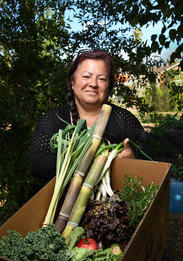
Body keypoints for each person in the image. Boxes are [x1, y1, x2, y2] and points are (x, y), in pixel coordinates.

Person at [29, 49, 148, 180]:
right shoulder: (52, 119)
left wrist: (132, 162)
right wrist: (88, 161)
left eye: (101, 79)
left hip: (114, 199)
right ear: (72, 82)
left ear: (109, 86)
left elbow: (150, 166)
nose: (93, 84)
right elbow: (37, 164)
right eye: (86, 76)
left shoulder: (125, 120)